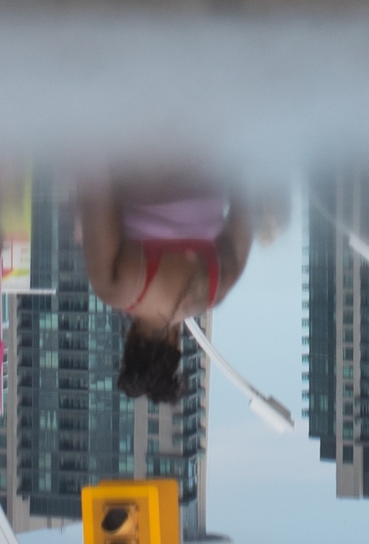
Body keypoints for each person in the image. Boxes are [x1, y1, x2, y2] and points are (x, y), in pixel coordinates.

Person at [74, 172, 250, 402]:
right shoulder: (115, 289)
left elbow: (248, 198)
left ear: (176, 346)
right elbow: (94, 183)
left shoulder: (218, 288)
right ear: (129, 342)